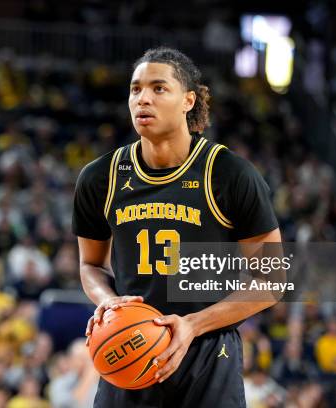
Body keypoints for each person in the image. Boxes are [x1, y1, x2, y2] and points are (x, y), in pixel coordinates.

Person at [72, 47, 282, 408]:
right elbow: (90, 265)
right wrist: (109, 303)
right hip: (127, 350)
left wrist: (194, 324)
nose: (143, 99)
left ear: (188, 100)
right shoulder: (99, 177)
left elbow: (273, 280)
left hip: (207, 356)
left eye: (158, 88)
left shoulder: (230, 174)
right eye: (136, 89)